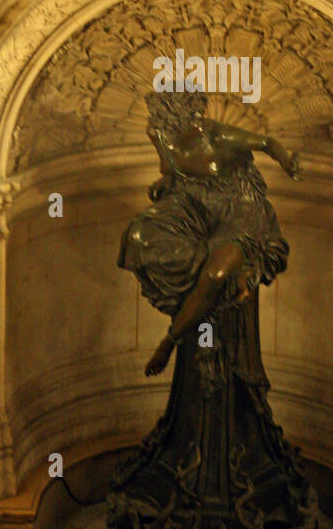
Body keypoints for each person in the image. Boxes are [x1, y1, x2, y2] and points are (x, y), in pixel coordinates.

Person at [118, 88, 301, 377]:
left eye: (198, 117)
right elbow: (177, 169)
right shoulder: (158, 135)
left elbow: (267, 142)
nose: (199, 122)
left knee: (215, 274)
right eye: (190, 119)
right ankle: (201, 302)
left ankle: (170, 341)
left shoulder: (213, 133)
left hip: (239, 208)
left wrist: (288, 162)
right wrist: (167, 180)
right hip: (193, 202)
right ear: (168, 121)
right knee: (139, 235)